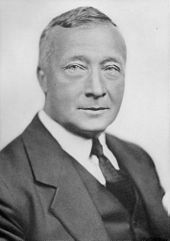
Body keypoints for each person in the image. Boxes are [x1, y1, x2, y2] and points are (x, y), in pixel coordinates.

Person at [0, 6, 169, 241]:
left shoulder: (138, 158)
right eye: (76, 68)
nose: (97, 89)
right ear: (43, 78)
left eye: (111, 68)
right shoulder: (5, 185)